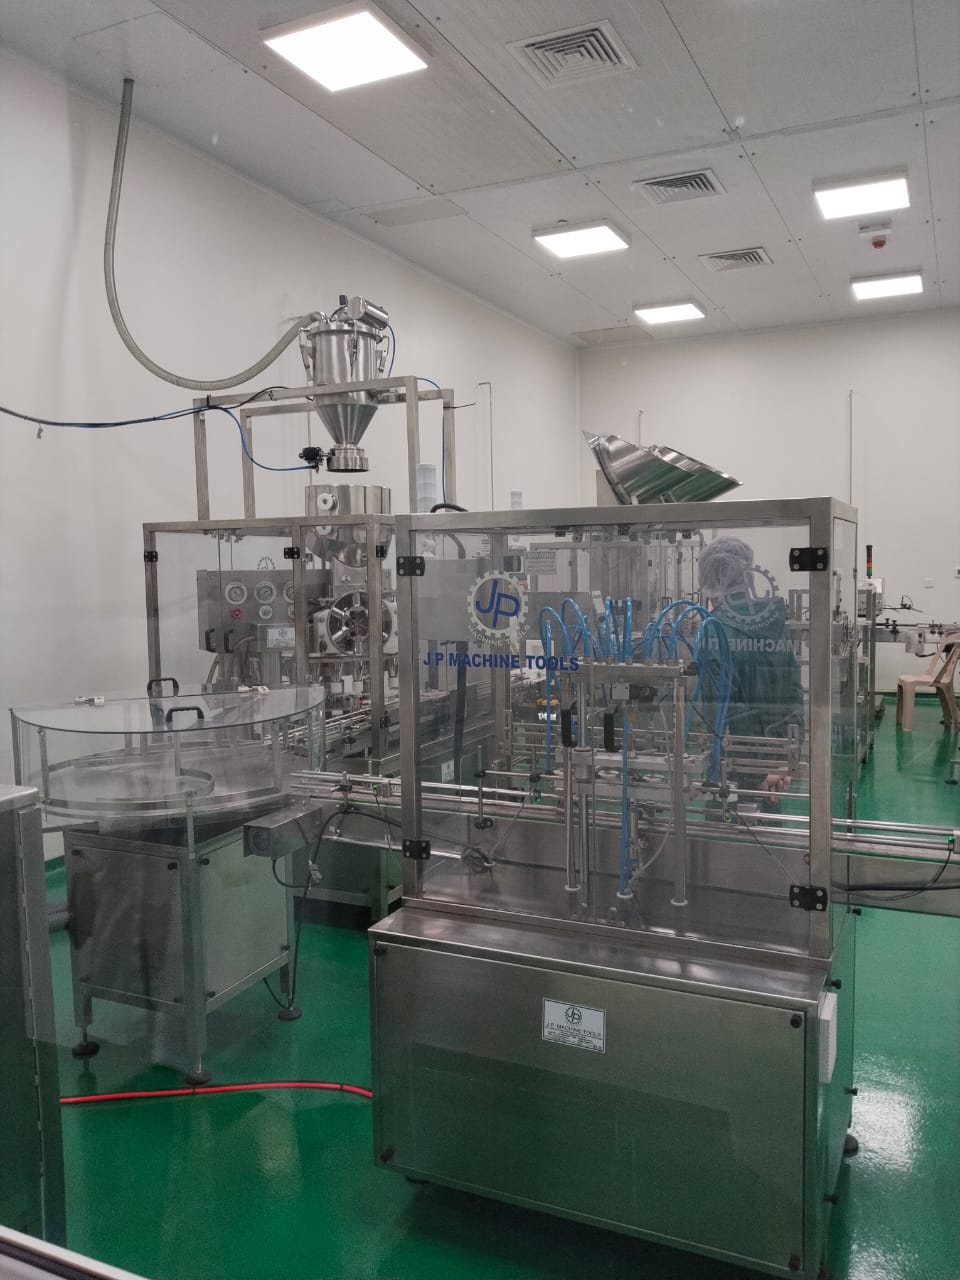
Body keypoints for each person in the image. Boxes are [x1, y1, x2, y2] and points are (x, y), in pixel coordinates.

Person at [698, 536, 804, 805]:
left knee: (731, 827)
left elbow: (721, 708)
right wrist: (784, 760)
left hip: (737, 769)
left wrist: (756, 772)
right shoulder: (773, 620)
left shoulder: (714, 629)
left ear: (712, 580)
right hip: (778, 767)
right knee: (768, 827)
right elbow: (794, 691)